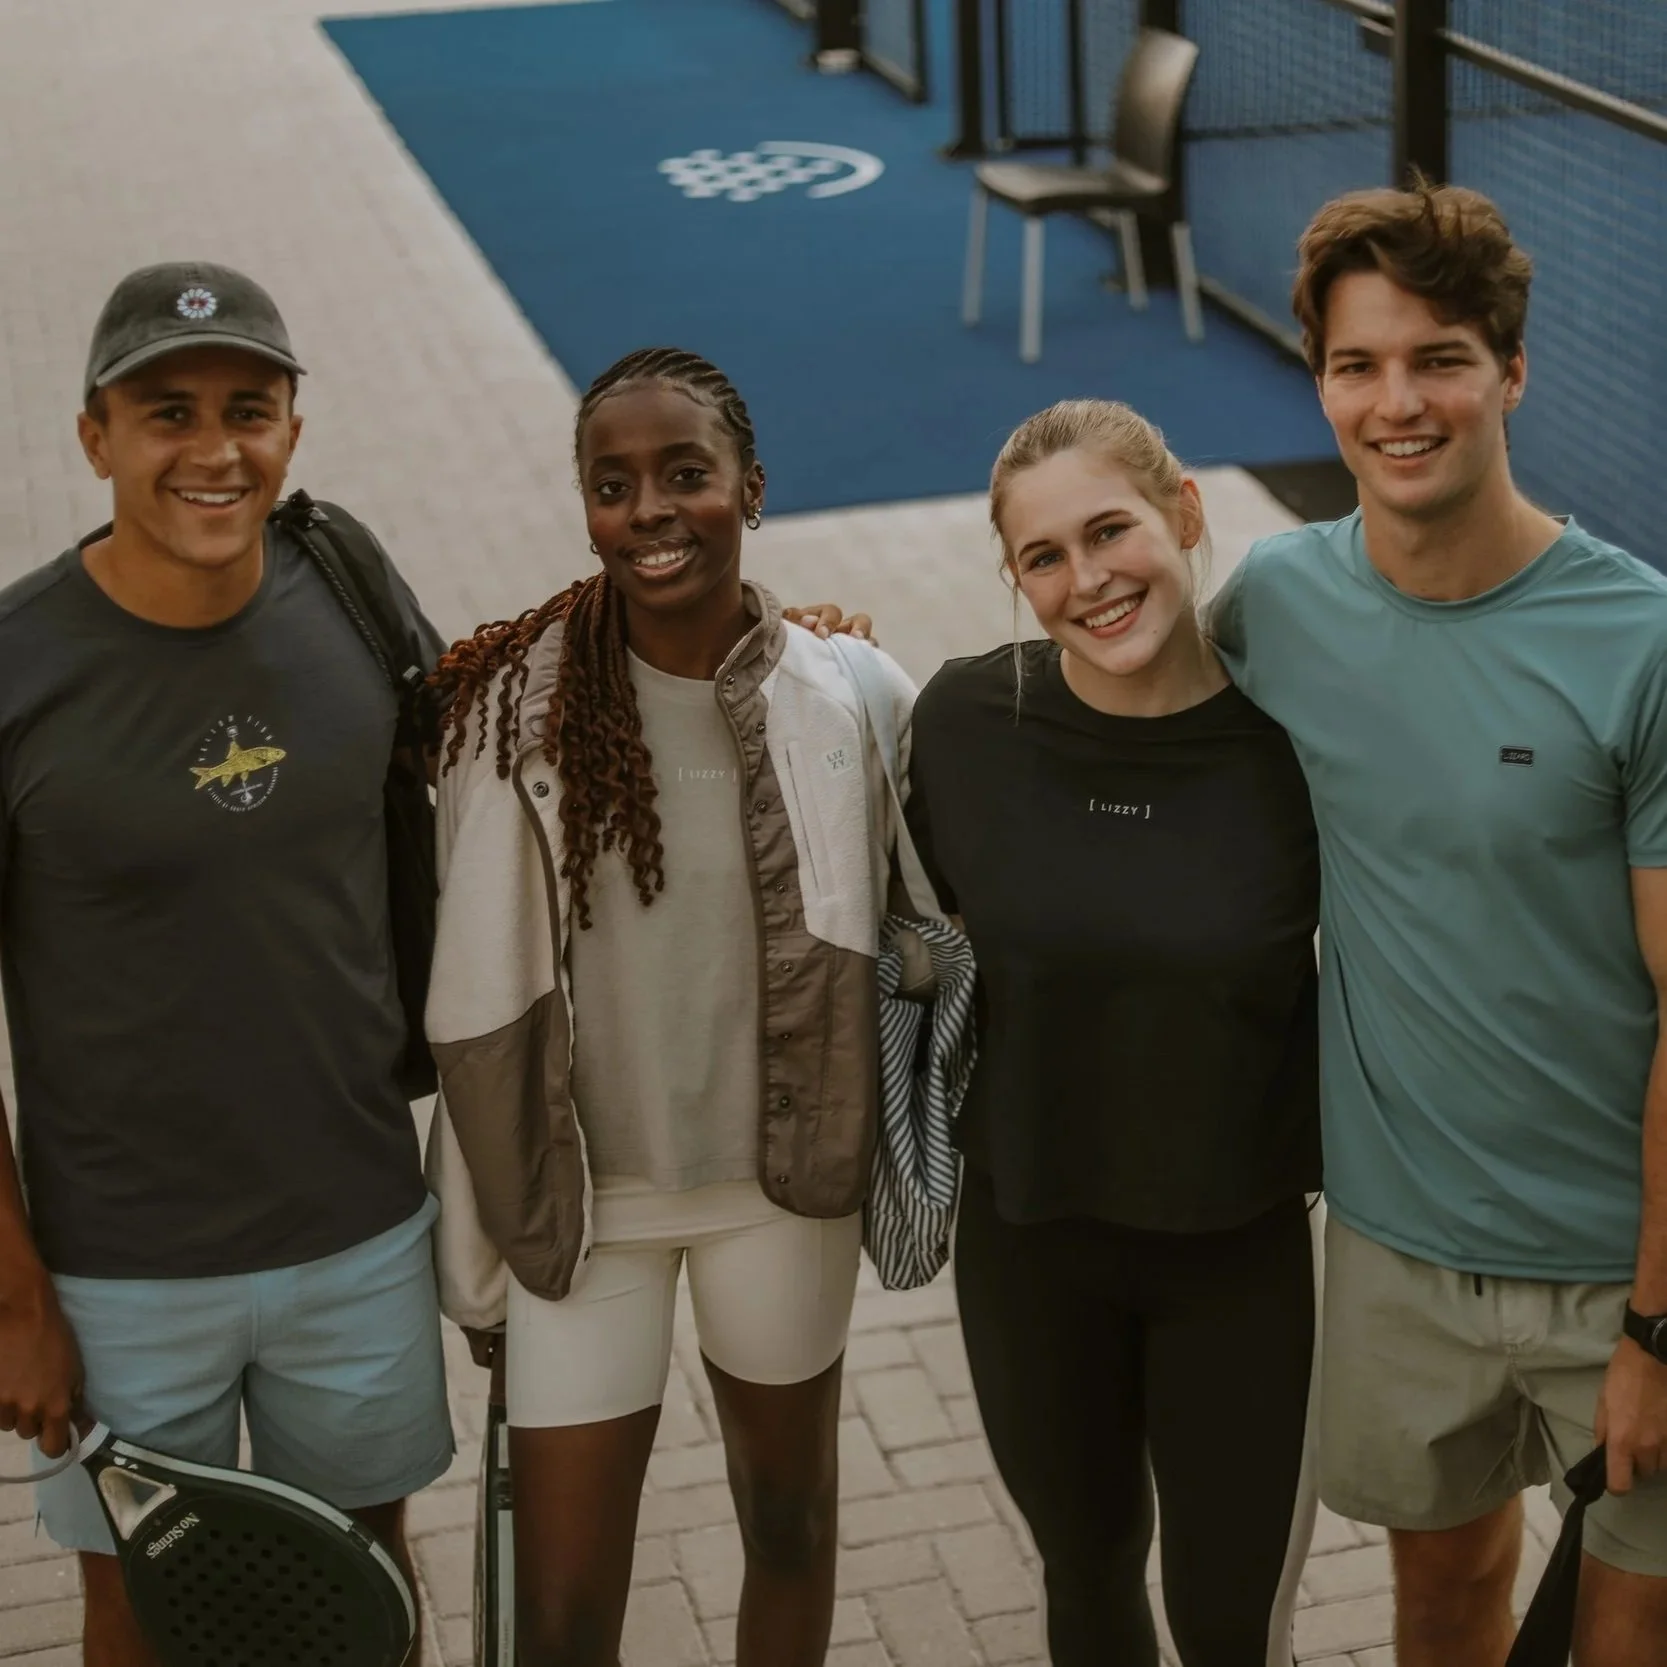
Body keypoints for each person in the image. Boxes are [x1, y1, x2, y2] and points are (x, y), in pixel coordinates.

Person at [1205, 184, 1667, 1667]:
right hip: (1396, 1250)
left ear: (1511, 371)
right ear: (1318, 380)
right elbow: (1113, 703)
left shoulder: (1637, 643)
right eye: (1356, 364)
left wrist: (1654, 1326)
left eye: (1439, 358)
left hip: (1622, 1266)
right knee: (1442, 1612)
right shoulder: (1274, 602)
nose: (1395, 402)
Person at [422, 346, 913, 1667]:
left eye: (684, 474)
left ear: (751, 487)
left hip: (774, 1191)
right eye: (612, 482)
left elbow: (933, 904)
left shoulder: (849, 694)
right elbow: (468, 983)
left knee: (791, 1525)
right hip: (589, 1212)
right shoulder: (506, 719)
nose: (648, 508)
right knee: (563, 1609)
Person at [0, 263, 454, 1665]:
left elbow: (502, 741)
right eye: (166, 412)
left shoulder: (347, 584)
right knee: (139, 1611)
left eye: (248, 409)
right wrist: (17, 1299)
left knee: (359, 1587)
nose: (214, 449)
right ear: (94, 438)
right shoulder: (20, 671)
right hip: (121, 1269)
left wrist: (761, 645)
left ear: (293, 429)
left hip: (358, 1226)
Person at [897, 399, 1321, 1667]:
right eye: (1041, 556)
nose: (1086, 580)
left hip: (1235, 1256)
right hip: (1031, 1248)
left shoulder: (1295, 745)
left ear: (1184, 511)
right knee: (1084, 1584)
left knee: (1226, 1621)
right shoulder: (967, 723)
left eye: (1108, 529)